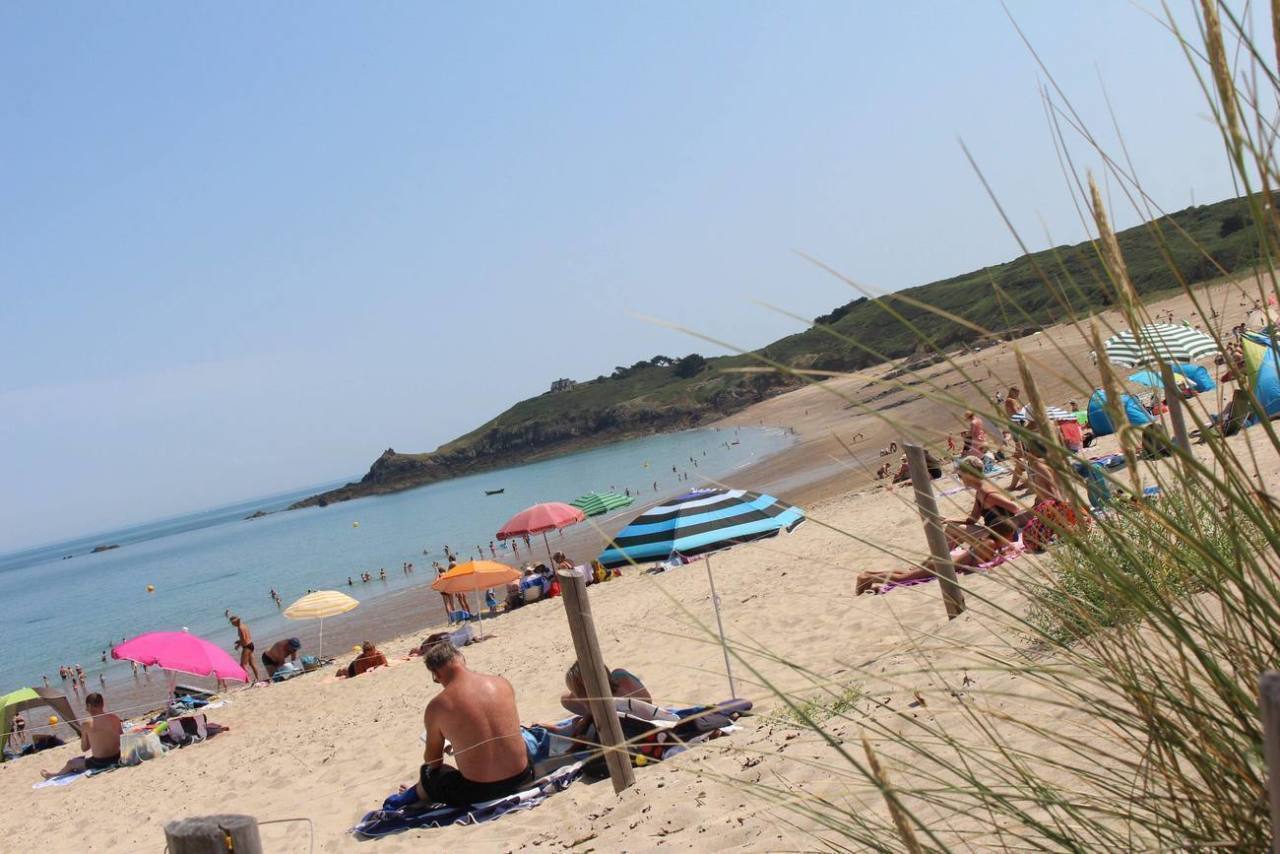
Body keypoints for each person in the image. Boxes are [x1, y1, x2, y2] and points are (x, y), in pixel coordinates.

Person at [382, 641, 532, 809]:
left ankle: (412, 795)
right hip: (523, 775)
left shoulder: (437, 707)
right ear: (461, 659)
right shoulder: (501, 683)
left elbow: (433, 762)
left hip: (483, 791)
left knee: (429, 775)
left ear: (436, 674)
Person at [543, 661, 653, 740]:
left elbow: (584, 736)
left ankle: (585, 702)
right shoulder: (620, 676)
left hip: (628, 720)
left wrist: (560, 730)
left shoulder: (605, 712)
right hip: (636, 705)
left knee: (566, 700)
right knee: (568, 700)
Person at [40, 693, 121, 779]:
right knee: (86, 757)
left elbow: (84, 748)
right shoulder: (114, 717)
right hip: (117, 757)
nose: (86, 709)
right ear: (102, 703)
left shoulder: (87, 724)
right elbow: (121, 737)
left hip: (99, 762)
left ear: (89, 706)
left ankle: (53, 775)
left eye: (86, 706)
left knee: (71, 763)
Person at [229, 616, 262, 683]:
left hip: (246, 647)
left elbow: (243, 639)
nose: (232, 624)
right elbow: (246, 637)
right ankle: (257, 678)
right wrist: (239, 641)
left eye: (232, 623)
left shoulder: (240, 628)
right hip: (251, 644)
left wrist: (238, 646)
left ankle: (248, 681)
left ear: (235, 621)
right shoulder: (244, 625)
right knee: (252, 664)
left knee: (242, 665)